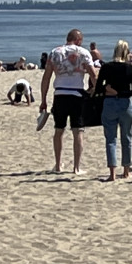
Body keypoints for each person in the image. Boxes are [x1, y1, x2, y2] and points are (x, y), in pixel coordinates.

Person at [39, 28, 98, 174]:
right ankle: (76, 168)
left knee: (59, 130)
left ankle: (58, 165)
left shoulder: (55, 52)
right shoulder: (83, 53)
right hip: (77, 94)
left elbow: (46, 78)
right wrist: (96, 93)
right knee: (77, 131)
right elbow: (93, 75)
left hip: (60, 93)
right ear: (78, 40)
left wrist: (43, 99)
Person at [93, 40, 132, 181]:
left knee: (110, 139)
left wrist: (109, 89)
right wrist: (121, 92)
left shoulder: (106, 67)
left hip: (110, 104)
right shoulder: (129, 68)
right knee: (126, 138)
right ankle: (126, 171)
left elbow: (98, 88)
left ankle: (112, 174)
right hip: (125, 104)